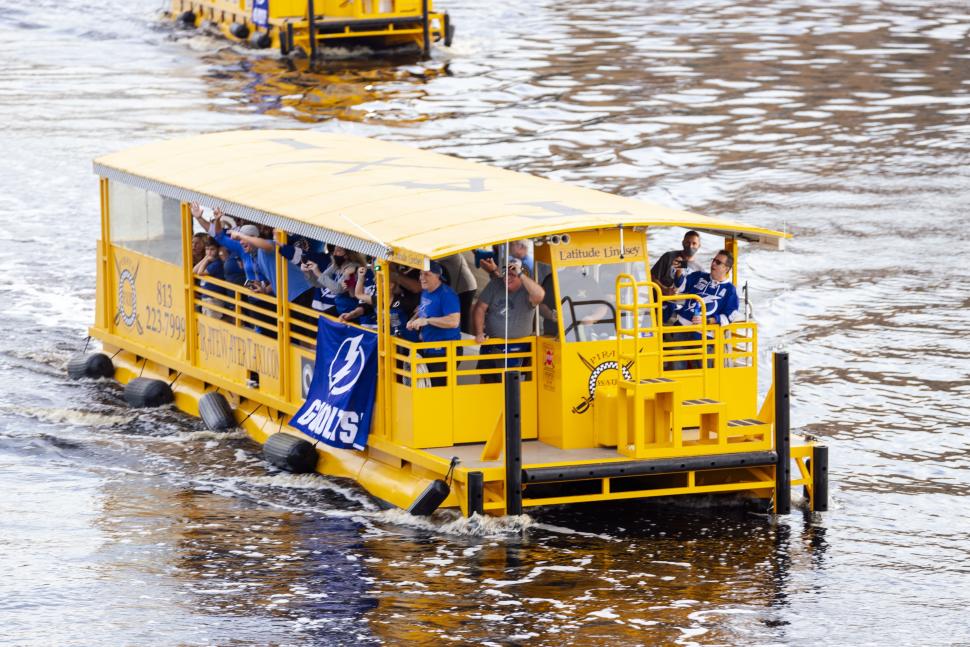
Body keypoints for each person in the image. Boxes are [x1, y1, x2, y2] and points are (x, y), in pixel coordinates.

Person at [473, 258, 544, 383]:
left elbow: (540, 295)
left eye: (512, 274)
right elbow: (480, 308)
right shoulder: (495, 284)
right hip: (491, 345)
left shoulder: (528, 290)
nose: (507, 278)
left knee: (512, 388)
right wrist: (479, 332)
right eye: (505, 273)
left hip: (517, 349)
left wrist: (520, 274)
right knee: (485, 382)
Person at [673, 249, 739, 368]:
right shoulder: (699, 276)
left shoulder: (730, 290)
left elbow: (729, 316)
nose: (713, 263)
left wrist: (707, 321)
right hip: (681, 329)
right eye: (714, 260)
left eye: (718, 262)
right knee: (677, 370)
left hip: (704, 338)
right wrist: (679, 268)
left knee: (702, 375)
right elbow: (680, 285)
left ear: (726, 268)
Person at [406, 261, 461, 387]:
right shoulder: (426, 291)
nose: (422, 278)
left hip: (444, 352)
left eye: (427, 274)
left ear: (438, 276)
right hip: (428, 348)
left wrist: (427, 321)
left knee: (437, 389)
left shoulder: (447, 295)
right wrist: (414, 319)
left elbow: (454, 321)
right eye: (420, 274)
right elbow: (423, 309)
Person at [652, 230, 702, 322]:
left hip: (683, 310)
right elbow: (651, 276)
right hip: (661, 304)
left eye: (694, 243)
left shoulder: (699, 269)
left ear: (699, 245)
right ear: (683, 243)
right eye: (687, 242)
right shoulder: (669, 257)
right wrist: (664, 289)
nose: (690, 246)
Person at [438, 253, 477, 335]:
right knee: (460, 315)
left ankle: (463, 341)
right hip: (459, 285)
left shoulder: (451, 252)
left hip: (466, 287)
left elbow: (431, 258)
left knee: (462, 316)